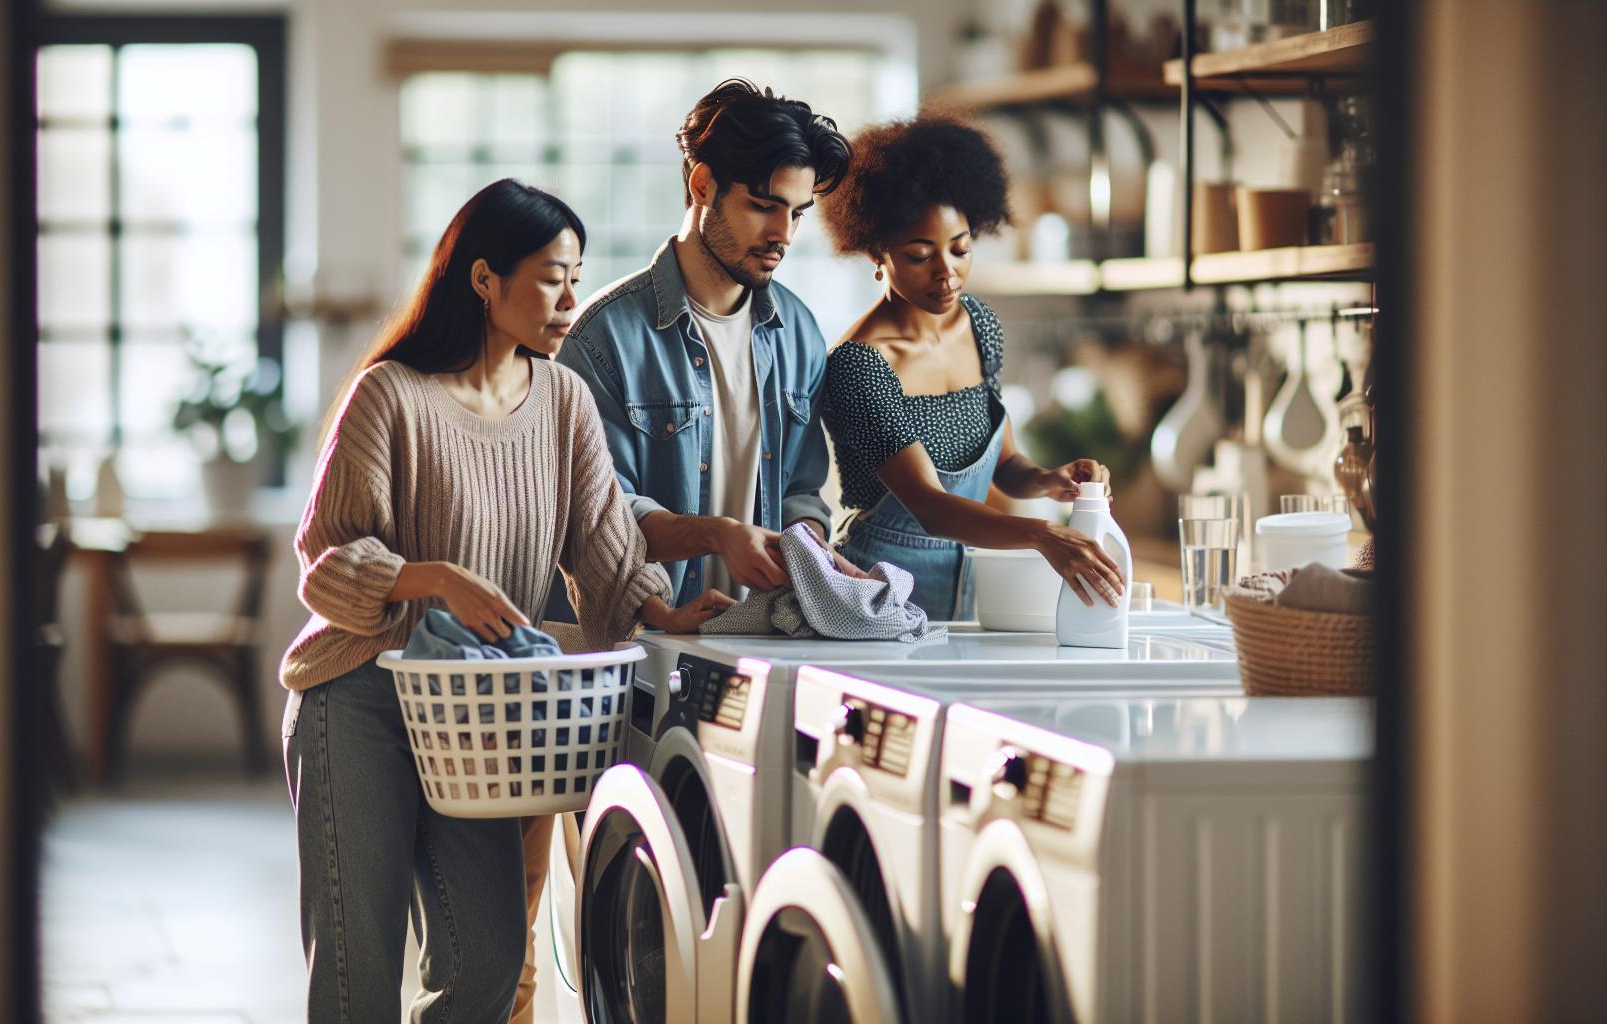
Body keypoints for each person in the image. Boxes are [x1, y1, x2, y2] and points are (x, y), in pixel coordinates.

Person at [279, 179, 726, 1024]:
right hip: (360, 697)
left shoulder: (563, 400)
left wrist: (660, 612)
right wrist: (435, 577)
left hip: (475, 716)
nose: (570, 297)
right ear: (485, 280)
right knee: (354, 975)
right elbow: (326, 560)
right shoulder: (392, 394)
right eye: (552, 275)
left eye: (577, 274)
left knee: (488, 963)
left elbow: (602, 544)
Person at [548, 78, 861, 622]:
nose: (782, 234)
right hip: (634, 643)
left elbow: (802, 491)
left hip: (757, 634)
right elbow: (600, 516)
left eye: (797, 212)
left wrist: (805, 549)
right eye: (764, 206)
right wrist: (719, 536)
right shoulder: (604, 338)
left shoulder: (799, 331)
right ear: (702, 184)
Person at [818, 113, 1125, 620]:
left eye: (960, 249)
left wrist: (1048, 479)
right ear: (878, 250)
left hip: (968, 586)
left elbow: (1004, 467)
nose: (947, 273)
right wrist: (1042, 534)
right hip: (878, 590)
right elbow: (931, 507)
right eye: (920, 255)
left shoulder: (979, 324)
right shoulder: (860, 363)